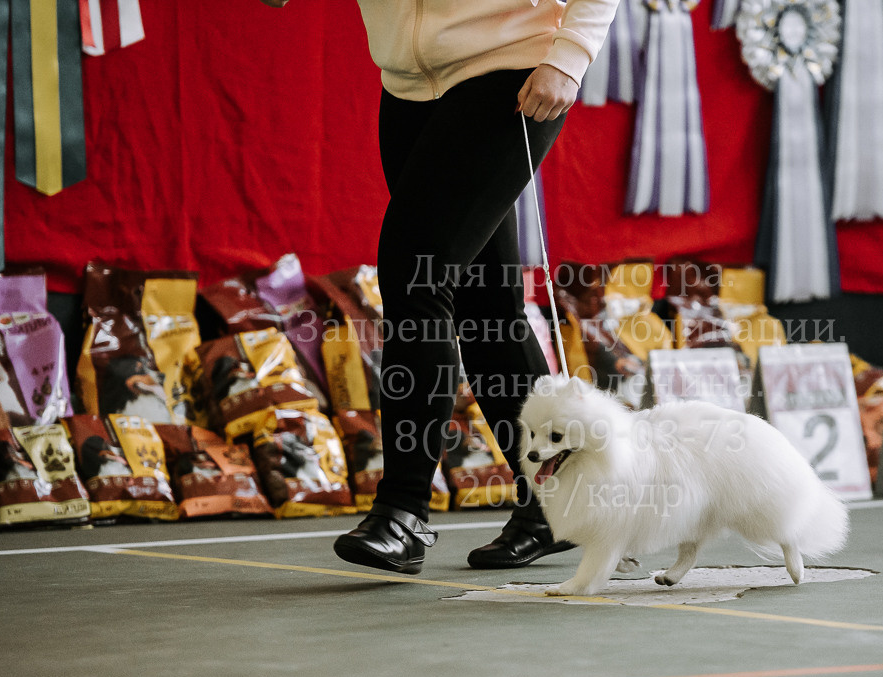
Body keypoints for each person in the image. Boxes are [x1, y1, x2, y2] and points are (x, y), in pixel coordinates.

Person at [257, 0, 621, 574]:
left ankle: (402, 510)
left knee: (414, 276)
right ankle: (559, 503)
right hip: (407, 86)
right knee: (485, 305)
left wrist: (570, 55)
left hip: (512, 71)